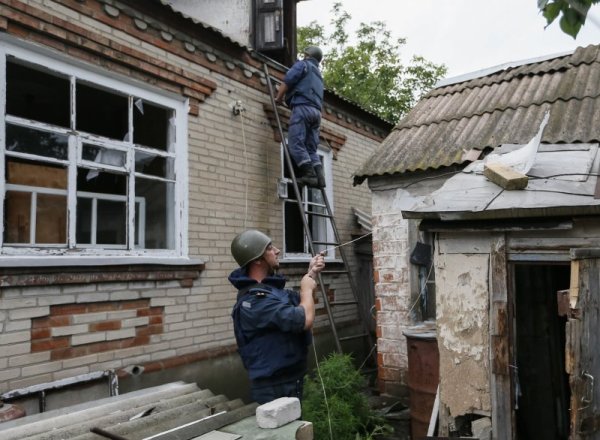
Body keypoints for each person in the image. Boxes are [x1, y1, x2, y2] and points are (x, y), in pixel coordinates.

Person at [229, 229, 325, 404]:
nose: (277, 251)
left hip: (288, 380)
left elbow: (302, 302)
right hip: (274, 387)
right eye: (270, 248)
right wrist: (306, 287)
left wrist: (311, 274)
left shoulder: (270, 292)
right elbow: (304, 318)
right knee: (281, 432)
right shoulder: (255, 302)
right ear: (257, 259)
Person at [275, 46, 325, 188]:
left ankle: (309, 175)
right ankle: (320, 178)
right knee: (311, 148)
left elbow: (288, 80)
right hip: (316, 113)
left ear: (308, 55)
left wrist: (278, 98)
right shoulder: (318, 76)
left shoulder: (303, 65)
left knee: (296, 144)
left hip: (302, 108)